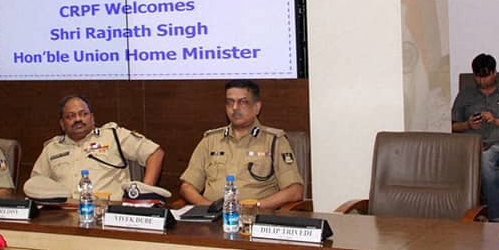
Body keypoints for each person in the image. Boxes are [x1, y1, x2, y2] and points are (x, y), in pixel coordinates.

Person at [180, 79, 304, 209]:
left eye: (243, 102)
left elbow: (295, 191)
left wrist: (252, 206)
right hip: (211, 219)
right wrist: (209, 207)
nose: (235, 108)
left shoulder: (274, 141)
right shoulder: (211, 140)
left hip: (254, 218)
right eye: (230, 102)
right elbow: (187, 186)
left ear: (257, 107)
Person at [29, 95, 164, 199]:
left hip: (110, 212)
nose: (78, 119)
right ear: (62, 124)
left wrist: (144, 193)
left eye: (83, 114)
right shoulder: (52, 148)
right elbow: (36, 183)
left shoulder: (113, 136)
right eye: (70, 116)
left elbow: (155, 153)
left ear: (92, 118)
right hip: (64, 215)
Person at [451, 54, 499, 222]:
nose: (482, 81)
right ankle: (457, 215)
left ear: (494, 73)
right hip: (468, 147)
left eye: (486, 76)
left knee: (485, 160)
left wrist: (495, 120)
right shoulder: (465, 94)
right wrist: (468, 125)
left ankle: (496, 217)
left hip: (497, 146)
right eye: (478, 76)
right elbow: (451, 125)